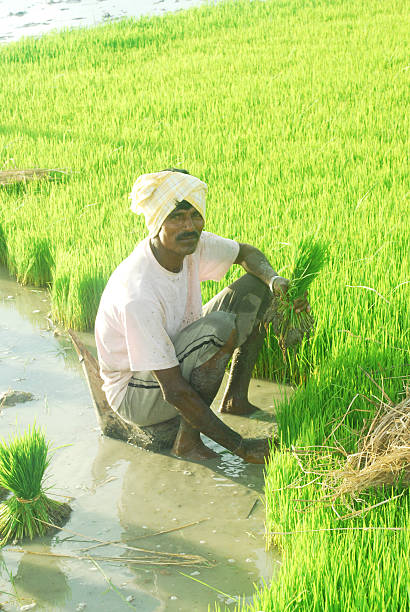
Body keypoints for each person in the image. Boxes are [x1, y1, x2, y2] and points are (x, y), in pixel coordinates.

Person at [95, 169, 310, 463]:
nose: (190, 226)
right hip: (135, 393)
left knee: (256, 288)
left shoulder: (192, 245)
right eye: (177, 216)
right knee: (219, 329)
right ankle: (188, 442)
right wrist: (240, 446)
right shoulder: (139, 293)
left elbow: (246, 253)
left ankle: (235, 399)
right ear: (157, 219)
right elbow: (173, 391)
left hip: (172, 352)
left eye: (195, 215)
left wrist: (275, 282)